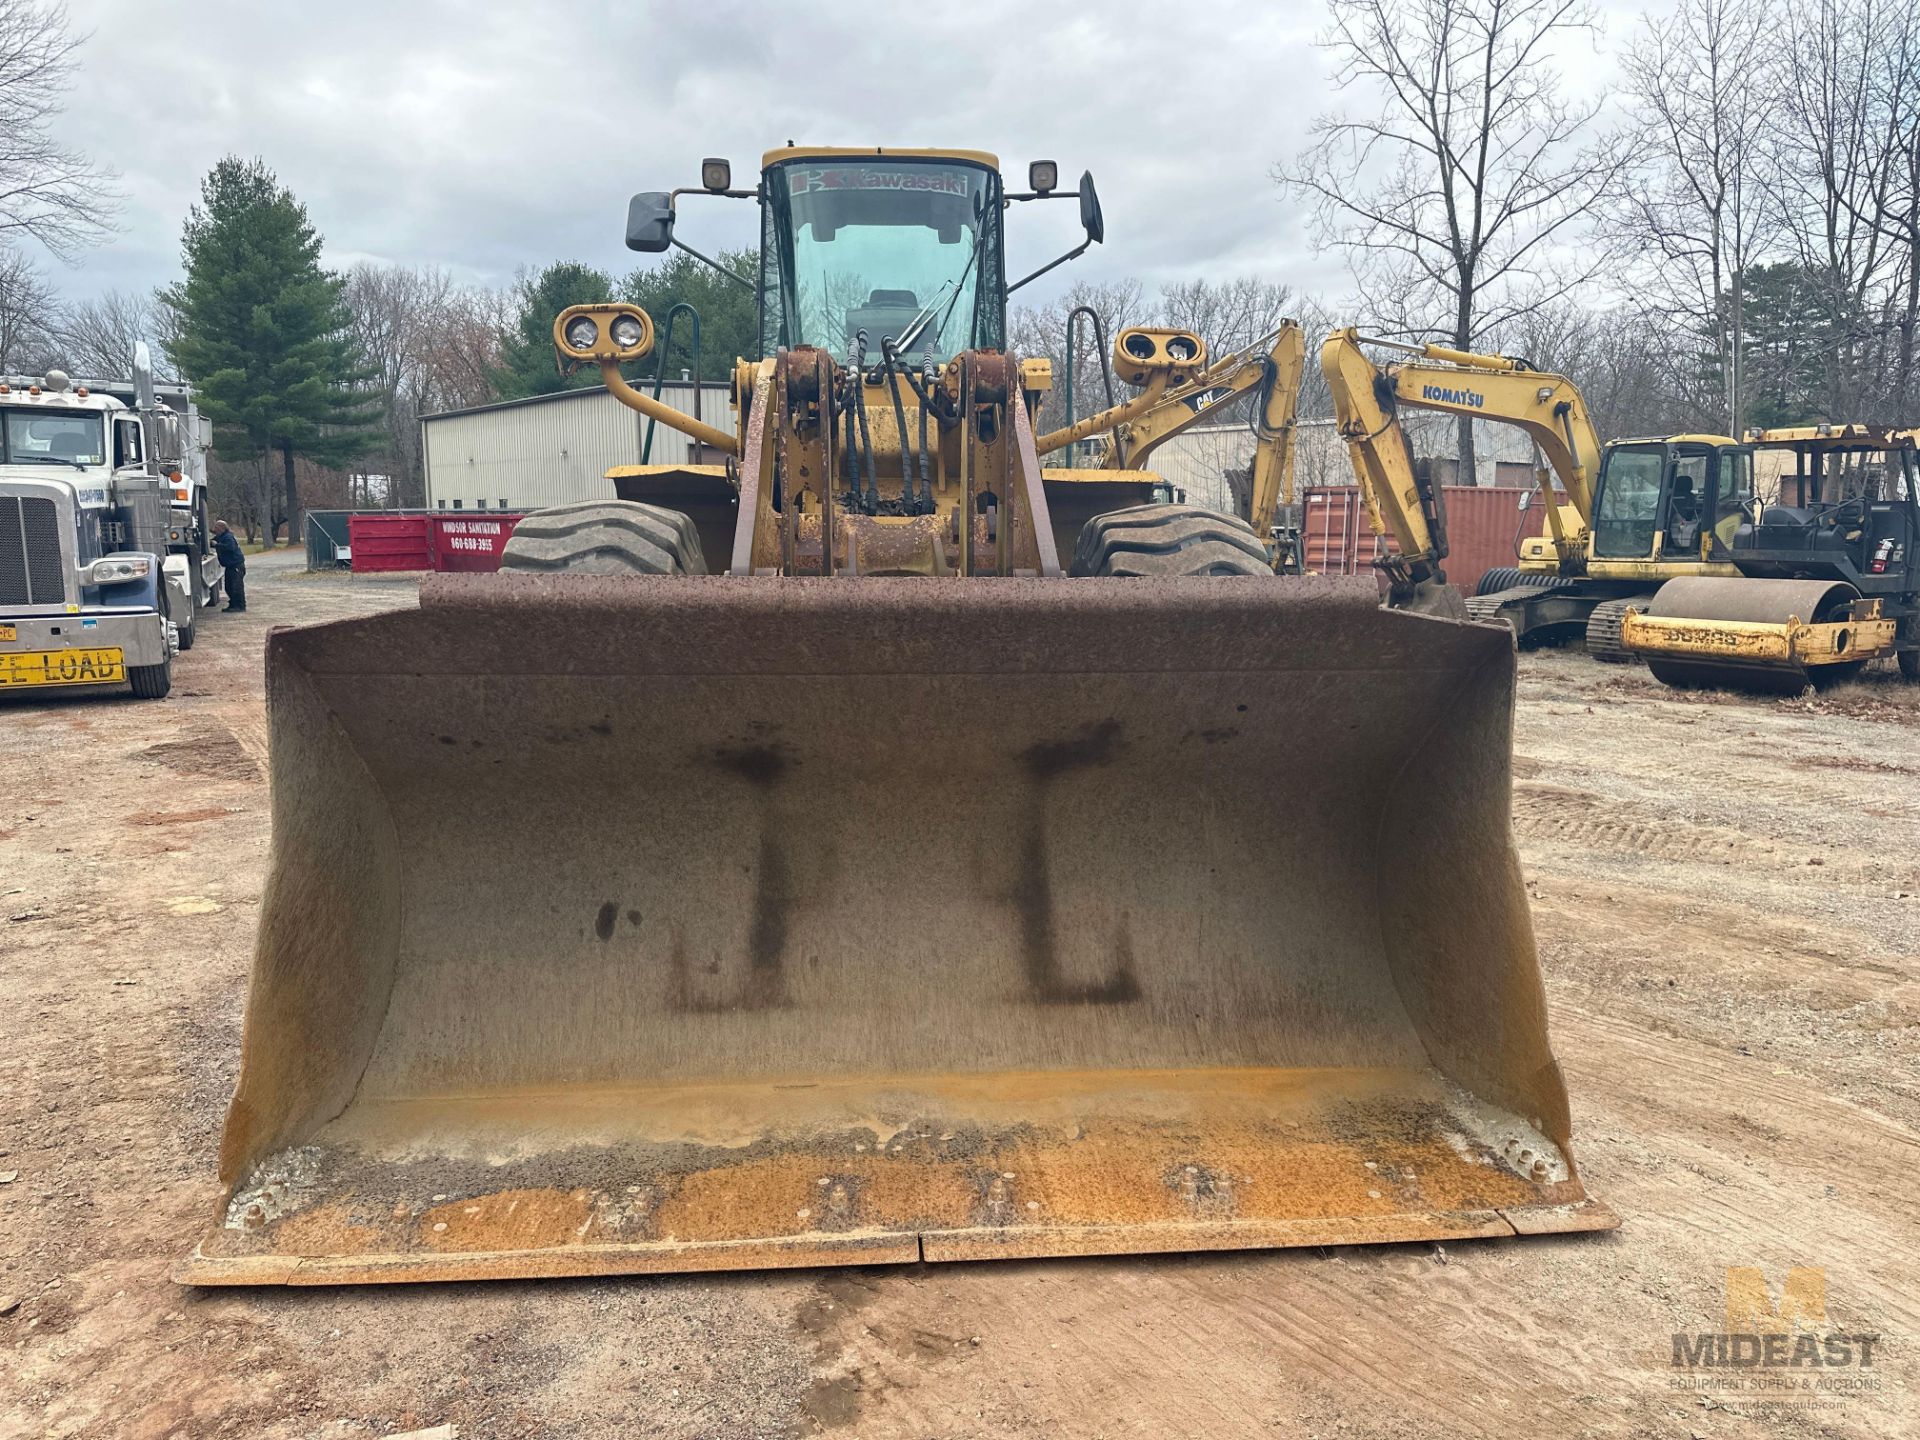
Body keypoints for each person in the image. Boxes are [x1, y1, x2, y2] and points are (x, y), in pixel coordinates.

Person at [212, 520, 246, 612]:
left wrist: (217, 545)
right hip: (230, 565)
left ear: (222, 528)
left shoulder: (228, 537)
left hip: (236, 565)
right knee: (229, 586)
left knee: (236, 586)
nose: (216, 530)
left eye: (217, 529)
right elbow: (215, 539)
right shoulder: (223, 536)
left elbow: (230, 547)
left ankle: (239, 606)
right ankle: (233, 604)